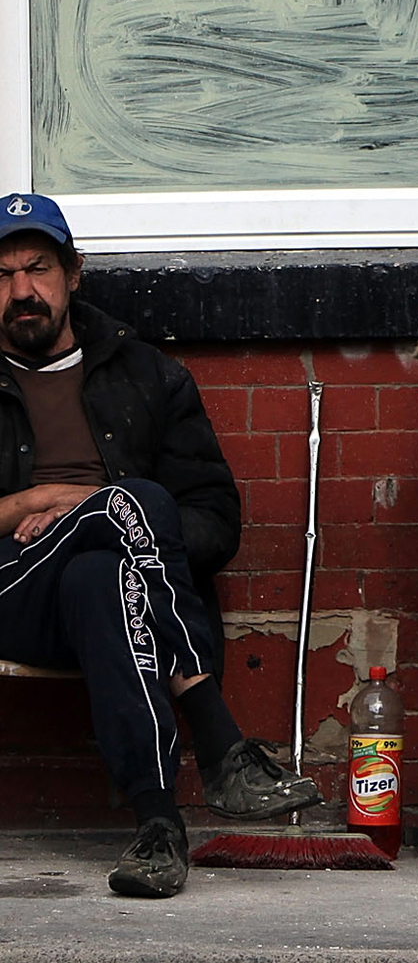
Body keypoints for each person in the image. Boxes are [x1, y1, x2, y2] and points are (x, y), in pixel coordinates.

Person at [0, 193, 321, 898]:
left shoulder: (146, 374)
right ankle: (219, 744)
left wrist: (97, 519)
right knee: (133, 502)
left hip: (119, 595)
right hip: (11, 585)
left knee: (103, 576)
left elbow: (215, 518)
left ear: (74, 272)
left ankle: (158, 830)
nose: (20, 290)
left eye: (36, 268)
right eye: (1, 275)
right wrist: (30, 503)